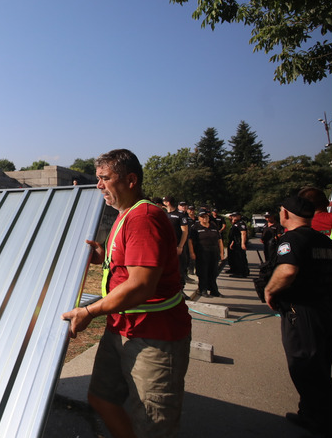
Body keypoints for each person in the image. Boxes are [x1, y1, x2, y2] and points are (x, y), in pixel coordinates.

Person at [62, 149, 191, 438]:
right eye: (98, 179)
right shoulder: (125, 216)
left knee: (153, 421)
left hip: (154, 336)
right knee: (102, 398)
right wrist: (100, 254)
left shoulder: (143, 218)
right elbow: (123, 264)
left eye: (105, 178)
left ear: (131, 180)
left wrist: (89, 311)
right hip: (121, 328)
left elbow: (141, 284)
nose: (98, 186)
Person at [264, 195, 332, 437]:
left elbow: (287, 270)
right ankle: (309, 413)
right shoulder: (324, 241)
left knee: (304, 365)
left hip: (302, 310)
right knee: (320, 364)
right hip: (327, 309)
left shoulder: (292, 239)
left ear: (285, 214)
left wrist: (270, 290)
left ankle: (325, 418)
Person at [189, 210, 225, 297]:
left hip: (213, 252)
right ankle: (202, 290)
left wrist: (222, 253)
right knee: (203, 272)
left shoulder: (213, 225)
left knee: (213, 272)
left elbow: (219, 240)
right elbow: (190, 241)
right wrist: (192, 252)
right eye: (203, 217)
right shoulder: (195, 227)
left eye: (206, 217)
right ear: (199, 218)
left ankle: (214, 290)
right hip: (202, 252)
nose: (205, 218)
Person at [162, 196, 190, 289]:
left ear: (168, 203)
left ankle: (181, 289)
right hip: (166, 248)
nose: (163, 203)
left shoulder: (180, 215)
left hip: (177, 246)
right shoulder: (164, 214)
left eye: (164, 202)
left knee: (180, 269)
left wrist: (180, 246)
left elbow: (185, 231)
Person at [227, 213, 249, 278]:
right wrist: (232, 242)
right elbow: (234, 235)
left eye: (235, 216)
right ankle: (236, 270)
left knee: (240, 258)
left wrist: (243, 243)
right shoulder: (236, 223)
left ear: (239, 216)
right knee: (235, 258)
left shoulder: (240, 223)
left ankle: (242, 272)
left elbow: (243, 233)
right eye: (233, 216)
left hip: (239, 243)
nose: (234, 217)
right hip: (236, 242)